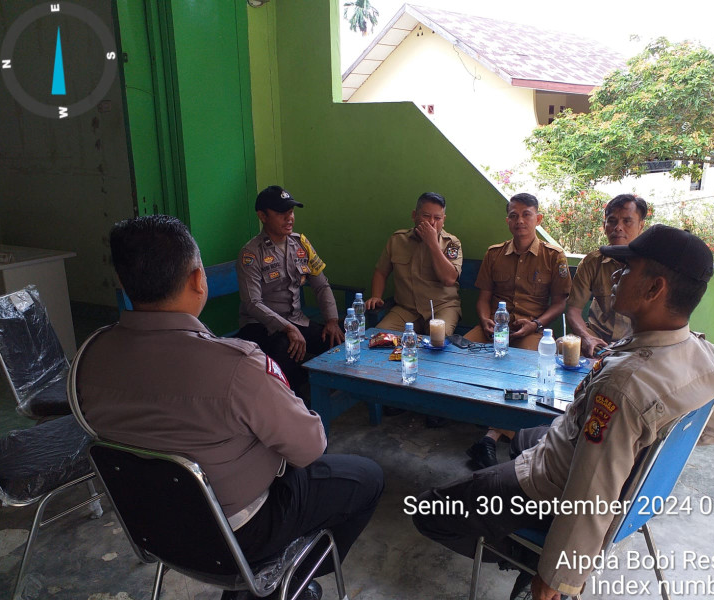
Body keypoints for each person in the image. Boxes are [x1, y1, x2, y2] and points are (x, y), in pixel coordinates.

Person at [413, 225, 714, 600]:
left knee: (428, 511)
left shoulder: (623, 387)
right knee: (527, 434)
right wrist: (647, 445)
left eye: (628, 269)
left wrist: (556, 577)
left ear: (654, 288)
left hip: (551, 478)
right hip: (601, 470)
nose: (615, 275)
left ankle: (527, 560)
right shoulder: (703, 354)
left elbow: (591, 492)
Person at [75, 215, 384, 600]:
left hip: (152, 526)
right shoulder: (237, 365)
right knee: (366, 477)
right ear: (196, 279)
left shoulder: (89, 357)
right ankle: (281, 582)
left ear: (122, 281)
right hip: (239, 532)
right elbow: (310, 447)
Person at [465, 193, 571, 468]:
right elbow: (483, 297)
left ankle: (491, 436)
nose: (520, 220)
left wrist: (535, 324)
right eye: (513, 215)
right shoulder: (494, 253)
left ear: (538, 219)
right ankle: (458, 412)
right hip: (493, 328)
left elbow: (560, 302)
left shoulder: (553, 256)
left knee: (526, 372)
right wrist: (486, 320)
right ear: (507, 221)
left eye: (526, 214)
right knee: (459, 355)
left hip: (531, 330)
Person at [236, 185, 345, 398]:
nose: (289, 218)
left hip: (297, 320)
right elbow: (252, 303)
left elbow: (321, 285)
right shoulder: (251, 253)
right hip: (261, 326)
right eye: (280, 213)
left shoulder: (300, 243)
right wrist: (286, 327)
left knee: (339, 341)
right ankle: (295, 402)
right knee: (285, 349)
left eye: (291, 212)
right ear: (262, 216)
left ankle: (319, 393)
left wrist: (332, 320)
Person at [365, 192, 462, 336]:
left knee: (440, 339)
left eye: (437, 218)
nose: (432, 222)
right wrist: (376, 296)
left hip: (442, 308)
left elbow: (449, 279)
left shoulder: (451, 243)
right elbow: (381, 271)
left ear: (444, 219)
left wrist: (433, 244)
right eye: (426, 216)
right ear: (414, 215)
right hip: (406, 310)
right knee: (380, 338)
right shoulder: (398, 240)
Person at [566, 194, 647, 358]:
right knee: (562, 351)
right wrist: (587, 337)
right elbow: (573, 310)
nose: (618, 227)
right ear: (604, 225)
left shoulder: (652, 265)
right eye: (612, 221)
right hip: (597, 343)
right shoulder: (592, 262)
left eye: (627, 221)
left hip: (634, 346)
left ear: (641, 226)